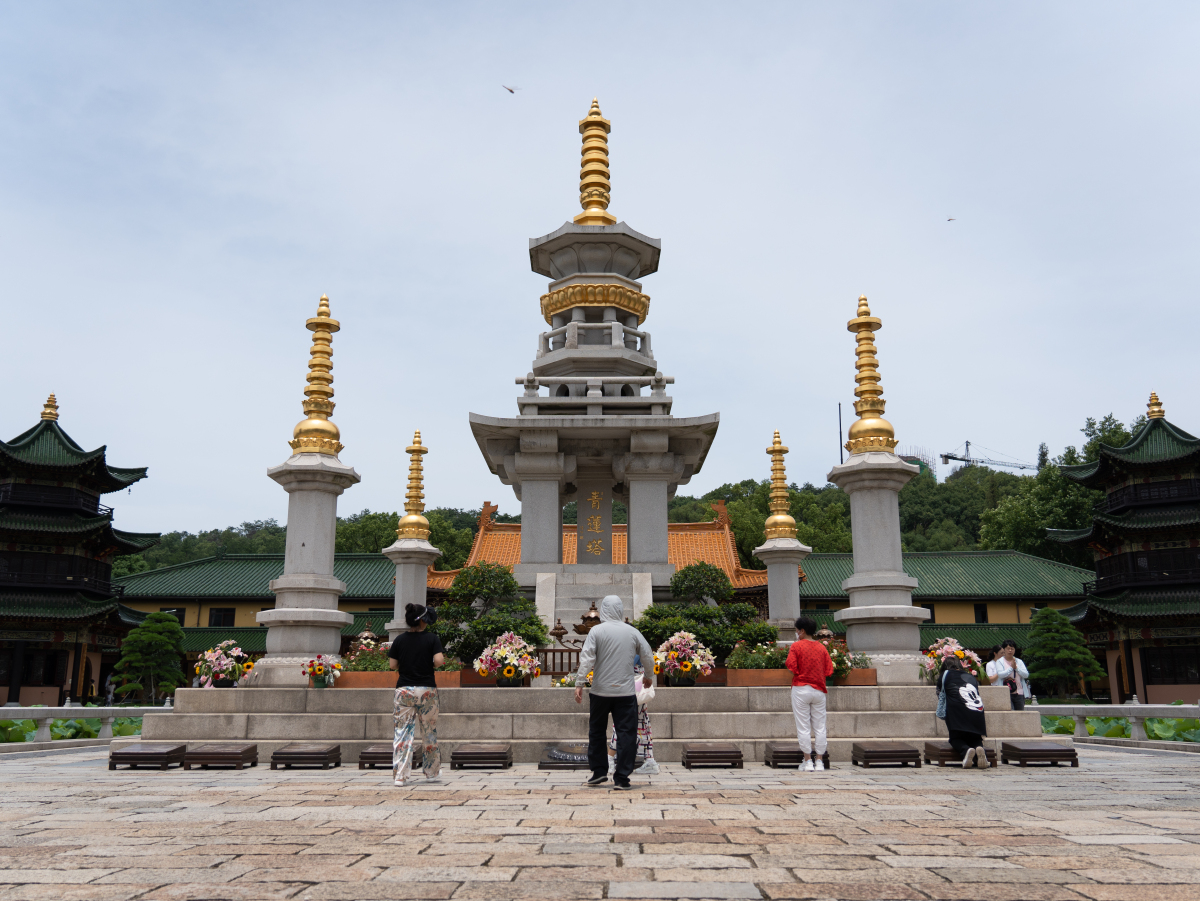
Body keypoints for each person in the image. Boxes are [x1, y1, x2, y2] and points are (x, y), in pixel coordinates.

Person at [575, 595, 654, 790]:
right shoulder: (632, 631)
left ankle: (599, 772)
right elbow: (647, 654)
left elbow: (587, 658)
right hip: (625, 693)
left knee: (596, 732)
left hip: (600, 692)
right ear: (620, 610)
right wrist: (649, 675)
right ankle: (622, 778)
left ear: (603, 610)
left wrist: (579, 682)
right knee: (627, 734)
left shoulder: (596, 631)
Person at [387, 603, 444, 786]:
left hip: (404, 690)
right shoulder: (432, 639)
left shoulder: (400, 640)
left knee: (402, 733)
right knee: (429, 732)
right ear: (425, 620)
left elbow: (392, 665)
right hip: (426, 689)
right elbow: (439, 661)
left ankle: (400, 776)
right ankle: (431, 772)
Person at [787, 616, 834, 772]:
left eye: (796, 630)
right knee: (820, 727)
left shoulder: (796, 646)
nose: (796, 633)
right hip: (819, 690)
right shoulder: (822, 648)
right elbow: (829, 670)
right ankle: (819, 761)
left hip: (801, 688)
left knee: (803, 727)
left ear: (802, 631)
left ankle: (807, 761)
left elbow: (792, 666)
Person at [606, 655, 657, 776]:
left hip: (630, 687)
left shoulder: (630, 641)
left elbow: (626, 663)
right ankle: (650, 760)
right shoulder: (636, 639)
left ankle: (609, 758)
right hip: (637, 686)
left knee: (622, 723)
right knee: (643, 724)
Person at [940, 656, 988, 768]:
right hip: (977, 709)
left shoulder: (945, 675)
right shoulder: (970, 676)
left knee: (955, 738)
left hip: (958, 710)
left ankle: (966, 750)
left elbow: (940, 693)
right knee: (975, 738)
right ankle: (979, 750)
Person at [992, 639, 1030, 710]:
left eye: (1012, 649)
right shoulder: (1000, 662)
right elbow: (1000, 675)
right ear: (1004, 649)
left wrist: (1016, 668)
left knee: (1020, 715)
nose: (1010, 650)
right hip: (1005, 693)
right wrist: (1011, 668)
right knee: (1010, 714)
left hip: (1019, 693)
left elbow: (1026, 675)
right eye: (1008, 648)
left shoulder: (1019, 661)